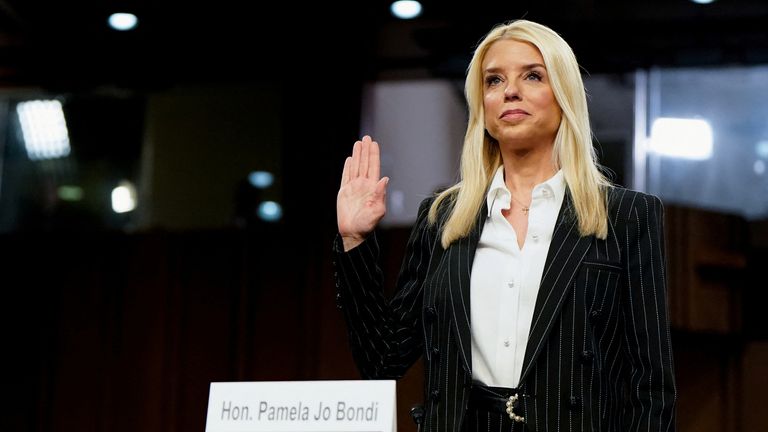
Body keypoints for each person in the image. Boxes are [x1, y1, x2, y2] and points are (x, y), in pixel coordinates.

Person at [333, 19, 676, 432]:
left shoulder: (626, 217)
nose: (510, 90)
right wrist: (355, 239)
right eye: (493, 80)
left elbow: (651, 387)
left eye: (532, 75)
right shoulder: (442, 218)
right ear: (483, 105)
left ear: (563, 94)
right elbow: (382, 359)